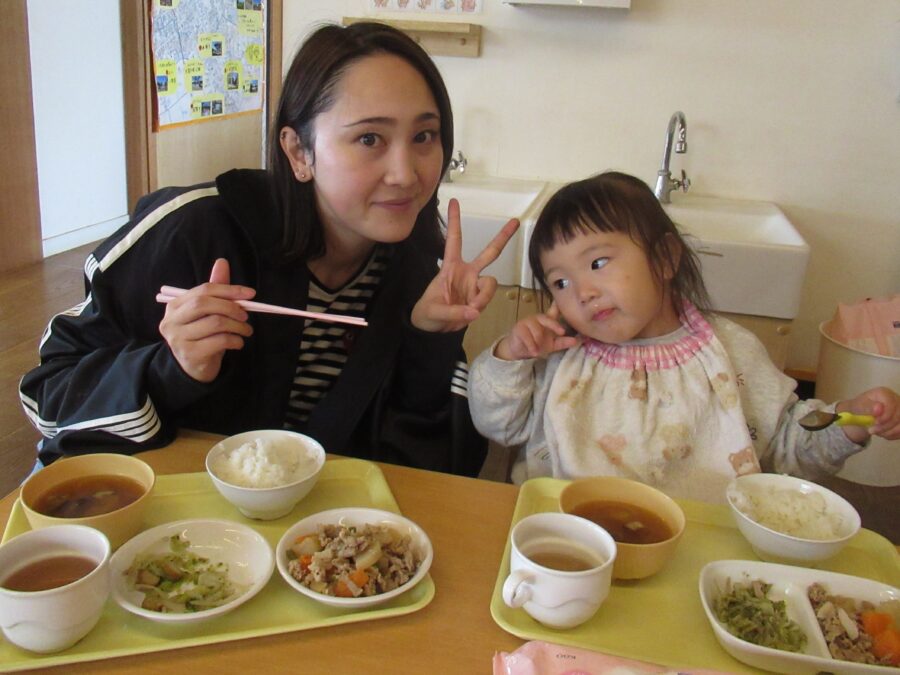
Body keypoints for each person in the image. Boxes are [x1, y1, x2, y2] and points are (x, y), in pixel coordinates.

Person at [20, 22, 518, 477]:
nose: (406, 174)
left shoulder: (415, 274)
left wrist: (428, 340)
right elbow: (48, 391)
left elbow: (431, 471)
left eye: (424, 136)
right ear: (299, 151)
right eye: (370, 138)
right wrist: (170, 368)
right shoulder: (197, 232)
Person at [469, 172, 900, 501]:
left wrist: (849, 421)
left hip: (699, 543)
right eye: (560, 282)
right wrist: (510, 355)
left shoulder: (731, 353)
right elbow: (498, 425)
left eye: (598, 263)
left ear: (665, 258)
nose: (582, 292)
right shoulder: (561, 356)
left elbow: (789, 447)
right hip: (565, 532)